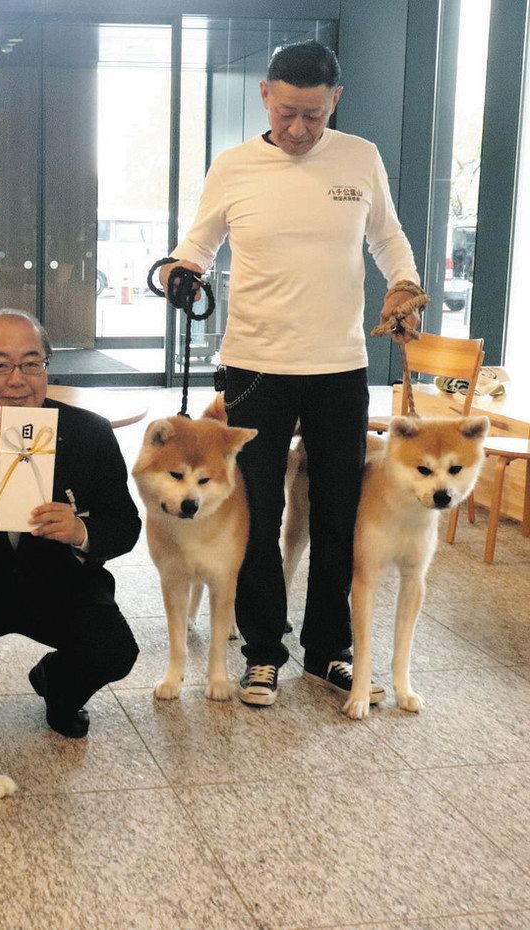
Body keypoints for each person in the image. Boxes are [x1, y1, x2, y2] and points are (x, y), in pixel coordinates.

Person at [162, 40, 422, 708]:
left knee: (338, 513)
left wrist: (405, 283)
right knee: (255, 511)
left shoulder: (359, 156)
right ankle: (262, 653)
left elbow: (387, 236)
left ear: (335, 100)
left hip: (340, 367)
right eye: (287, 113)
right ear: (265, 97)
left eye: (313, 114)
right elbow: (199, 242)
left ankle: (328, 649)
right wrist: (177, 269)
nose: (300, 129)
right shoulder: (235, 165)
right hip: (255, 367)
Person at [0, 310, 141, 738]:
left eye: (32, 364)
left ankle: (57, 684)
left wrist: (81, 532)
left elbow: (125, 524)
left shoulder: (90, 433)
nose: (17, 380)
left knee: (113, 650)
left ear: (47, 366)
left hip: (60, 582)